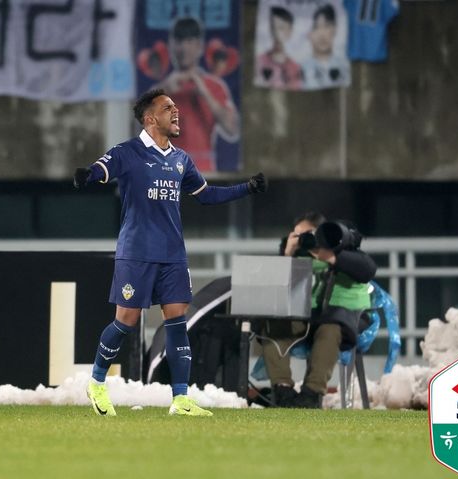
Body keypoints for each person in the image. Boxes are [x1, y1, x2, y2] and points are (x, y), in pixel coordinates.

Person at [73, 88, 266, 417]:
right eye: (168, 108)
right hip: (136, 253)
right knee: (127, 321)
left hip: (173, 255)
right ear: (150, 119)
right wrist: (88, 175)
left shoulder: (181, 159)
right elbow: (101, 169)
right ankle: (96, 382)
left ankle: (180, 399)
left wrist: (245, 188)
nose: (176, 112)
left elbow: (206, 196)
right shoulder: (128, 152)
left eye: (176, 107)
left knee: (177, 321)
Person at [261, 212, 376, 408]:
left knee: (330, 329)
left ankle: (311, 394)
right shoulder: (296, 254)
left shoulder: (345, 252)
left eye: (309, 234)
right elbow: (275, 288)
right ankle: (283, 390)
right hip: (305, 317)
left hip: (339, 321)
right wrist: (287, 254)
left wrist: (332, 257)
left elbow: (367, 269)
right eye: (297, 235)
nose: (305, 239)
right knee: (272, 325)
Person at [155, 17, 239, 172]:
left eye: (189, 41)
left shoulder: (215, 86)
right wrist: (164, 90)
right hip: (166, 173)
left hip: (203, 173)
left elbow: (232, 129)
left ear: (200, 46)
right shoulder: (160, 90)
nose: (184, 48)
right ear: (171, 46)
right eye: (179, 41)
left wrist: (205, 94)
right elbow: (137, 128)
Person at [302, 4, 350, 90]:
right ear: (309, 34)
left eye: (327, 26)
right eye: (316, 27)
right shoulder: (302, 68)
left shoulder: (343, 66)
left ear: (335, 29)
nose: (322, 34)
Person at [255, 6, 303, 90]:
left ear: (290, 31)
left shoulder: (295, 67)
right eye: (273, 27)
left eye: (281, 28)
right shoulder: (259, 61)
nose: (276, 32)